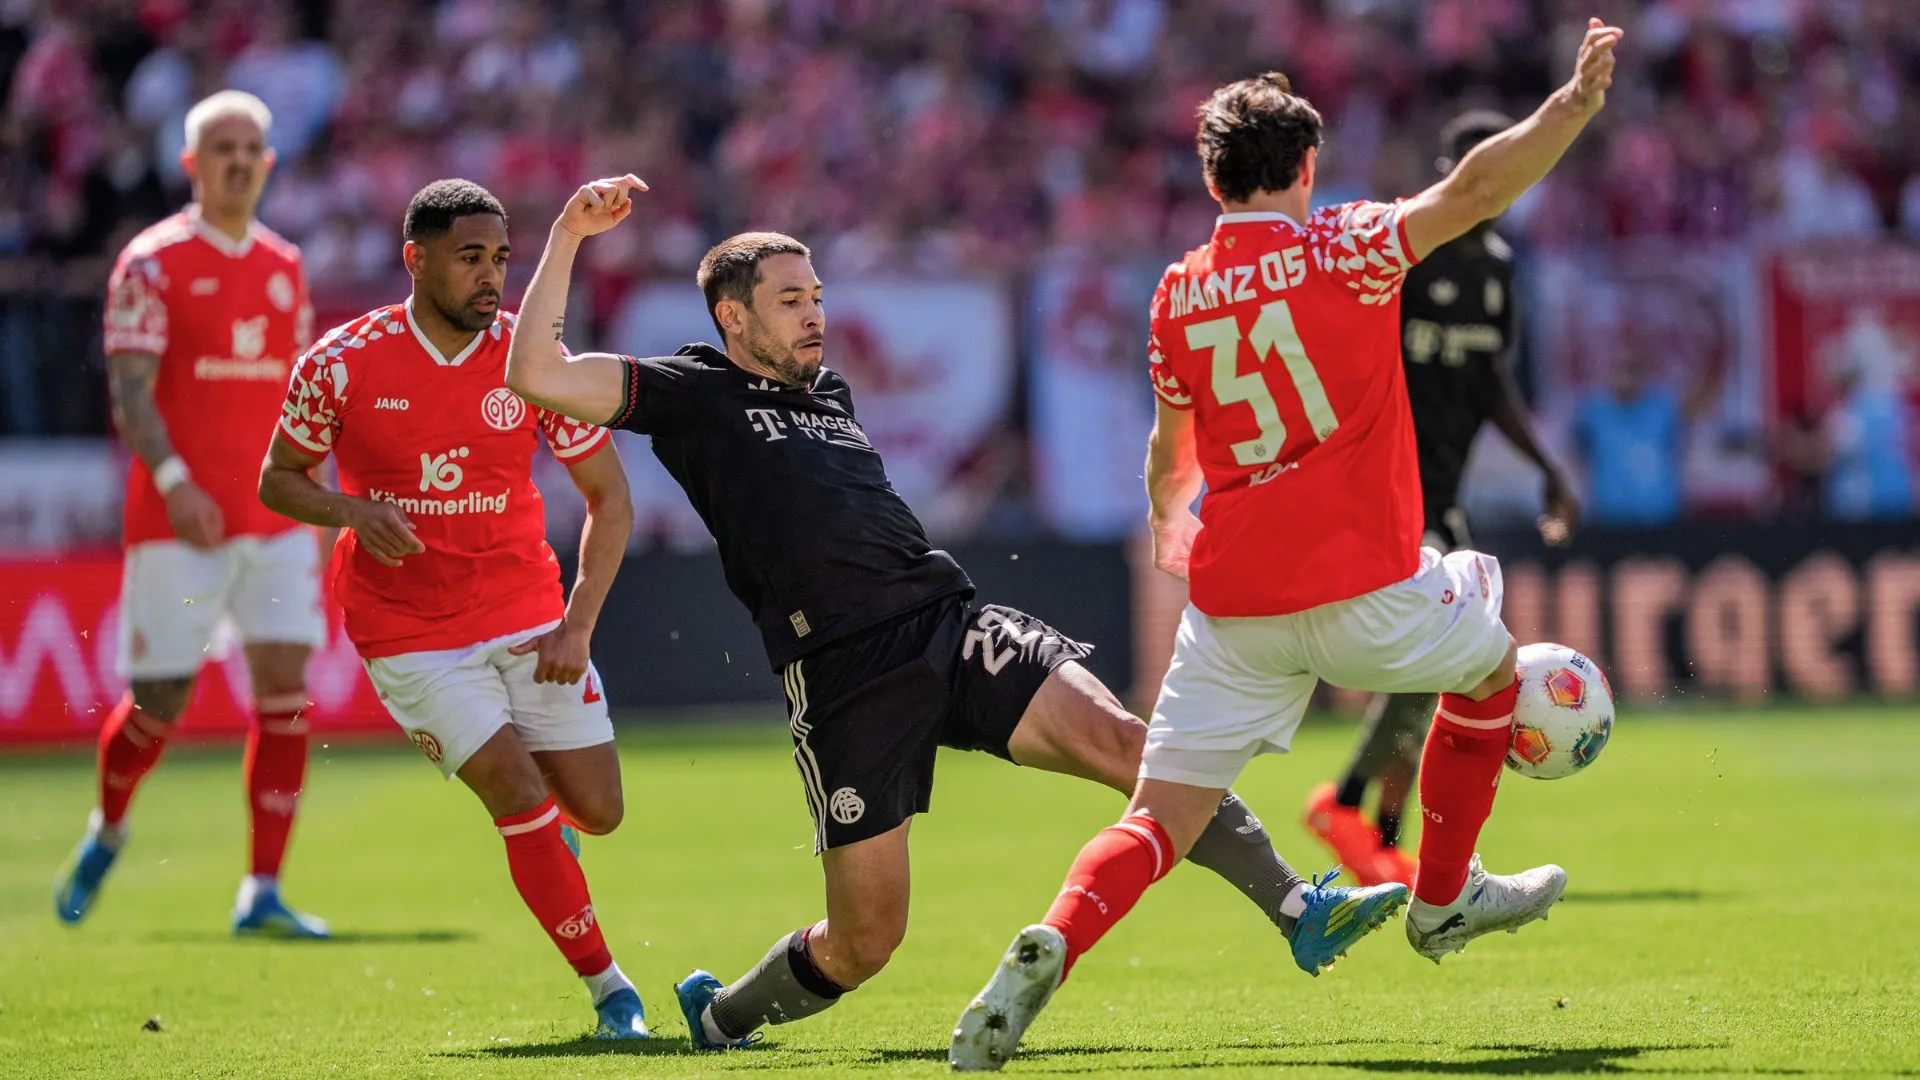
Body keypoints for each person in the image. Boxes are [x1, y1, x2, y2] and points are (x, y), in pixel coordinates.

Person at [503, 177, 1399, 1053]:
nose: (814, 313)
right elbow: (536, 373)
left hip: (950, 620)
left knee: (1137, 745)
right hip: (846, 678)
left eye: (816, 295)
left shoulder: (831, 395)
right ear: (733, 317)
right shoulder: (693, 392)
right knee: (864, 945)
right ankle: (723, 1016)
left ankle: (1298, 909)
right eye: (788, 301)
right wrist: (571, 236)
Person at [950, 18, 1624, 1071]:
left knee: (1160, 816)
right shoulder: (1348, 246)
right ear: (1305, 166)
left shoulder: (1177, 296)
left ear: (1212, 178)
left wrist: (1171, 523)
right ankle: (1444, 898)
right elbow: (1477, 193)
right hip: (1367, 587)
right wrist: (1570, 107)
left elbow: (1168, 458)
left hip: (1235, 607)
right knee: (1492, 670)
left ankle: (1050, 944)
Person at [257, 180, 649, 1039]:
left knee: (598, 811)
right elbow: (277, 479)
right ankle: (611, 991)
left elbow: (610, 501)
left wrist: (577, 623)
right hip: (408, 632)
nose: (491, 277)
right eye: (471, 257)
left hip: (528, 612)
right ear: (416, 259)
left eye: (501, 259)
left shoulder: (530, 361)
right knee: (513, 791)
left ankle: (553, 843)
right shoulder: (339, 362)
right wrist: (355, 512)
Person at [55, 90, 329, 937]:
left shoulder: (285, 264)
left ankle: (263, 889)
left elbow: (302, 399)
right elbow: (130, 391)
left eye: (253, 147)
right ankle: (109, 826)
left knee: (287, 692)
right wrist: (174, 479)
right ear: (192, 165)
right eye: (223, 148)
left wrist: (315, 498)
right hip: (179, 523)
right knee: (160, 702)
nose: (240, 160)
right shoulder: (150, 262)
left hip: (274, 522)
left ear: (270, 162)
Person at [1304, 110, 1582, 888]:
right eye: (1472, 168)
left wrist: (1546, 468)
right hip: (1391, 490)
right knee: (1444, 655)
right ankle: (1359, 813)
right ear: (1449, 172)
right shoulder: (1404, 261)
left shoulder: (1496, 270)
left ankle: (1364, 819)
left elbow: (1492, 383)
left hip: (1443, 491)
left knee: (1435, 664)